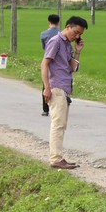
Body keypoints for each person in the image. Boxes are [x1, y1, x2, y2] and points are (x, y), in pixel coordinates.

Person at [40, 15, 88, 170]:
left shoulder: (67, 45)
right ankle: (56, 159)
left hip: (65, 87)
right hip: (56, 87)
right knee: (58, 124)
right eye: (75, 32)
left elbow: (72, 68)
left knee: (61, 124)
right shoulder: (56, 41)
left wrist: (77, 51)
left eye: (80, 34)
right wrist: (46, 87)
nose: (77, 36)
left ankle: (58, 157)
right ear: (67, 27)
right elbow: (44, 64)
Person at [39, 14, 60, 117]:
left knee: (46, 83)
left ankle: (45, 109)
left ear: (49, 22)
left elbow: (44, 47)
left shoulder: (43, 34)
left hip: (47, 59)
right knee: (60, 82)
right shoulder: (61, 34)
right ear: (58, 22)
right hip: (59, 61)